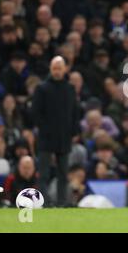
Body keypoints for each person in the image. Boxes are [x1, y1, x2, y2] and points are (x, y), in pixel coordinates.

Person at [32, 56, 79, 206]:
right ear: (50, 69)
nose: (57, 71)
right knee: (44, 173)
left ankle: (61, 202)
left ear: (65, 69)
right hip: (46, 136)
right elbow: (36, 113)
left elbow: (75, 112)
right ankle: (43, 202)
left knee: (63, 174)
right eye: (54, 68)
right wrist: (44, 129)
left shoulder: (70, 89)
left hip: (64, 137)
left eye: (59, 68)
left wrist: (73, 132)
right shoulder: (42, 88)